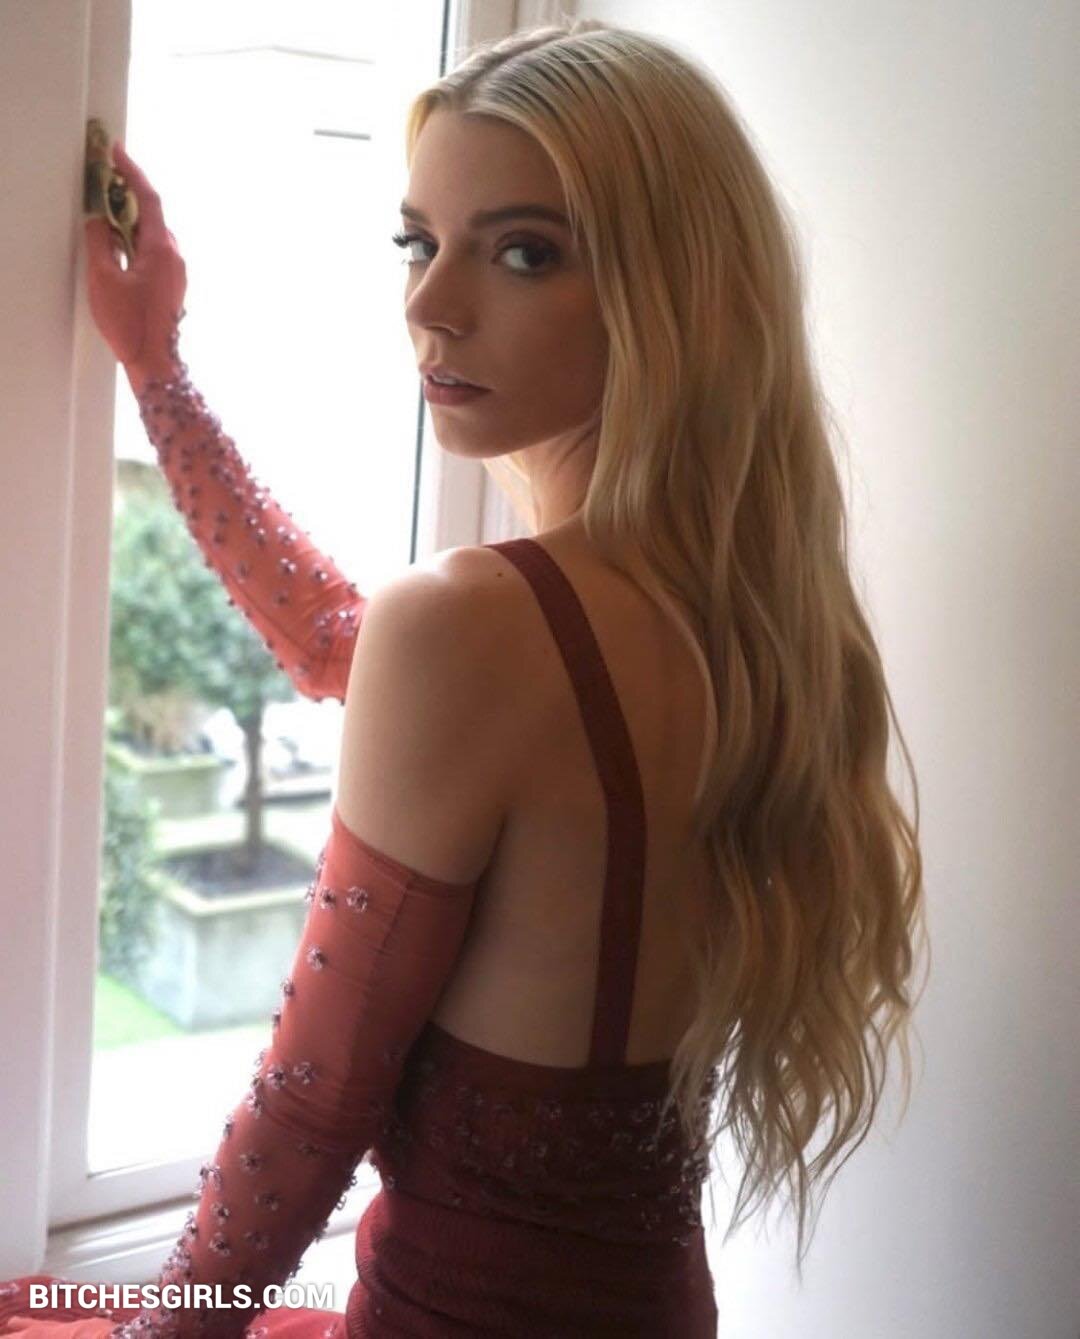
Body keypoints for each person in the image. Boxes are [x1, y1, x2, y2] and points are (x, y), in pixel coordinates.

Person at [0, 17, 927, 1339]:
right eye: (417, 242)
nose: (429, 305)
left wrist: (158, 1336)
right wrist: (159, 371)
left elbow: (311, 1107)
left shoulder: (483, 626)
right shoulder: (756, 618)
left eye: (523, 250)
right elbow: (341, 639)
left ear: (671, 290)